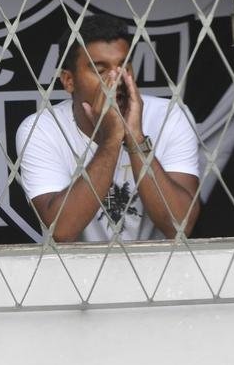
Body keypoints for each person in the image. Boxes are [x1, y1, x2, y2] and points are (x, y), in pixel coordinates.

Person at [15, 14, 202, 242]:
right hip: (78, 273)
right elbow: (62, 230)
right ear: (68, 81)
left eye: (124, 66)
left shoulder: (170, 115)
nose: (115, 79)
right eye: (99, 70)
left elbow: (179, 226)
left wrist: (135, 137)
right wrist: (111, 139)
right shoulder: (42, 128)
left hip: (158, 267)